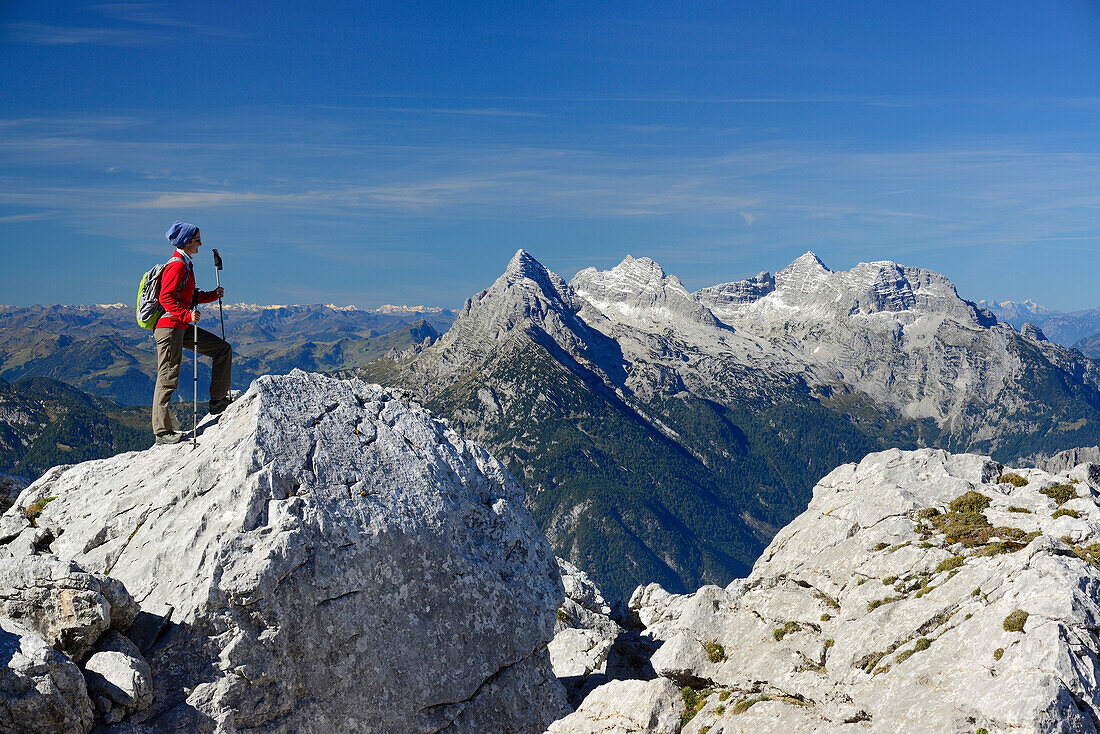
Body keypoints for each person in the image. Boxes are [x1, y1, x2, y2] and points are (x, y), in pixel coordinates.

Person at [152, 221, 233, 444]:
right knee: (168, 377)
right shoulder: (177, 265)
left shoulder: (186, 264)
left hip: (180, 326)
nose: (200, 243)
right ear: (187, 242)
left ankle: (218, 402)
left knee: (222, 350)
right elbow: (166, 298)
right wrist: (186, 316)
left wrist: (213, 295)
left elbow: (190, 297)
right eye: (197, 240)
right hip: (169, 328)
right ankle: (162, 432)